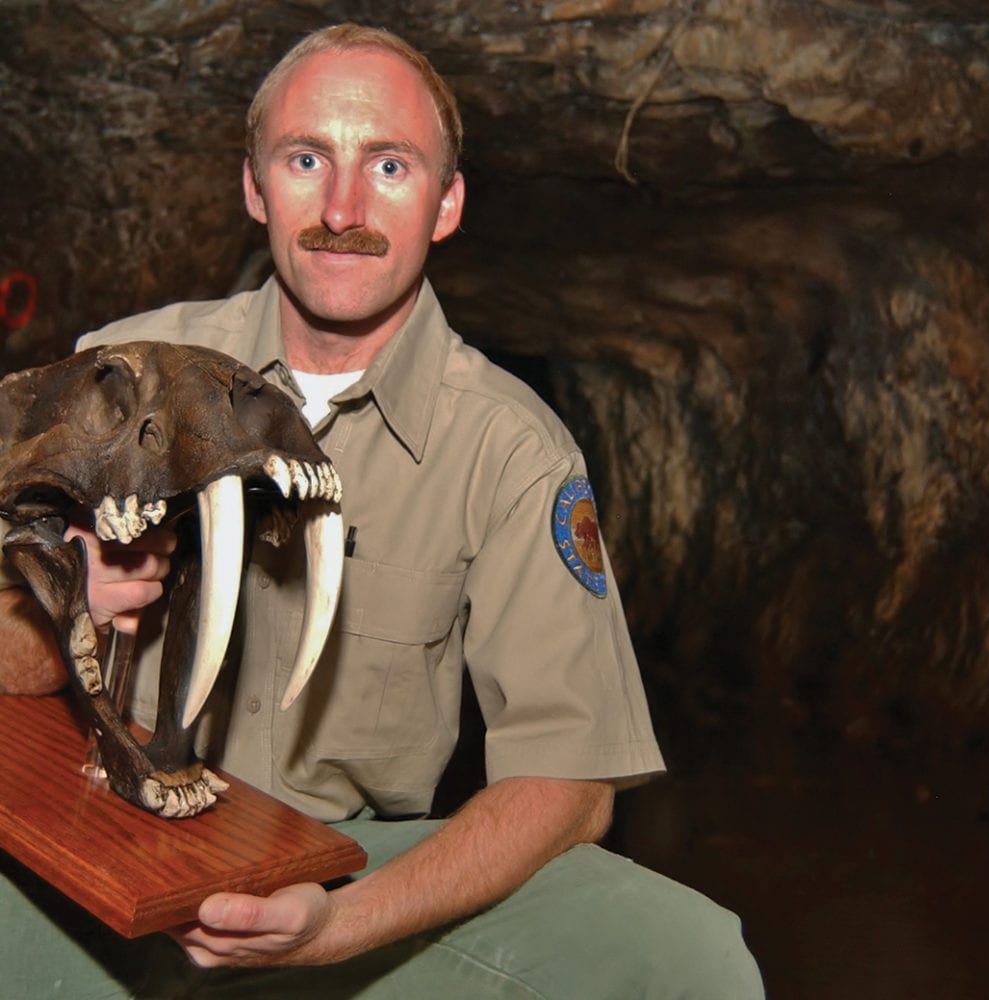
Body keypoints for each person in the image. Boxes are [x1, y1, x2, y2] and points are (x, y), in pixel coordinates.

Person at [0, 24, 764, 999]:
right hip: (103, 835)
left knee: (687, 957)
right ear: (254, 188)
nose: (343, 209)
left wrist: (339, 927)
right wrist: (70, 597)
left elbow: (571, 785)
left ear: (447, 204)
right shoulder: (120, 376)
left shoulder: (510, 450)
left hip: (343, 874)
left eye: (389, 165)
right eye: (306, 159)